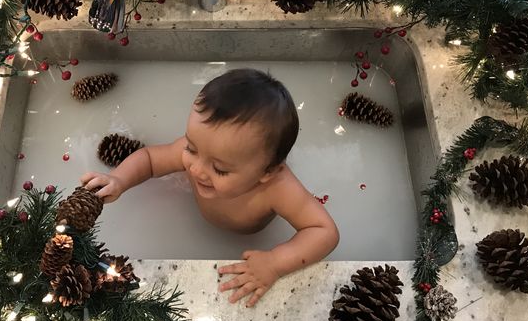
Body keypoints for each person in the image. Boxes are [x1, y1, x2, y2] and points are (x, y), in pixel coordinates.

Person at [81, 68, 339, 307]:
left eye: (220, 169)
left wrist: (275, 262)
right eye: (192, 148)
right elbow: (150, 159)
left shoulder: (279, 187)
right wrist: (119, 179)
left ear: (267, 171)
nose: (196, 169)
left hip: (249, 238)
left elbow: (323, 231)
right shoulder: (202, 154)